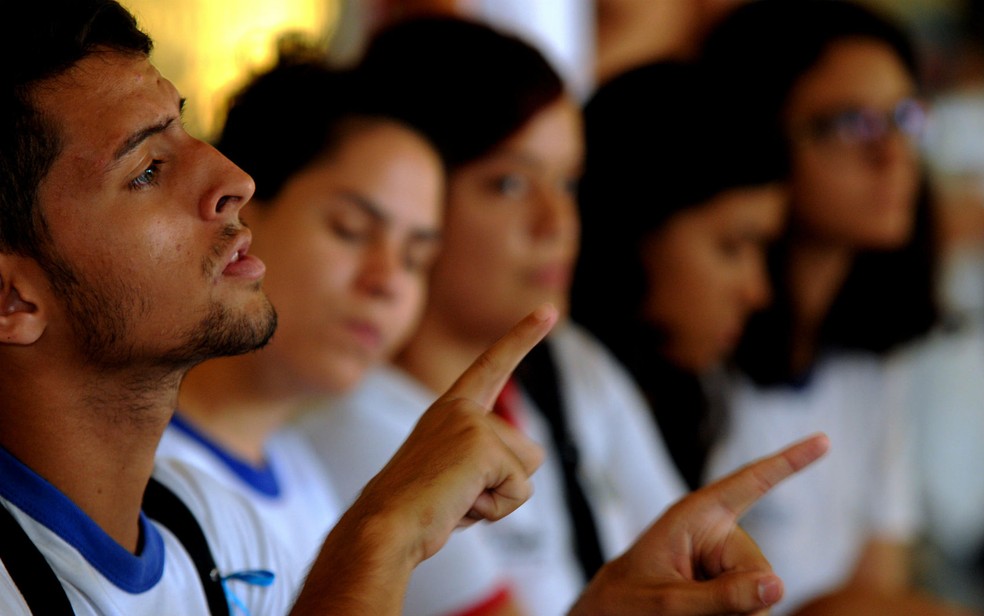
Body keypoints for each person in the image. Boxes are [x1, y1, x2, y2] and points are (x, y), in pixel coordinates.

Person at [0, 1, 830, 614]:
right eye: (145, 171)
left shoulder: (209, 526)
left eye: (186, 134)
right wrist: (380, 537)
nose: (231, 181)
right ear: (11, 296)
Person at [296, 15, 776, 616]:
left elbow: (690, 556)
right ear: (416, 196)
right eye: (510, 185)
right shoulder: (354, 419)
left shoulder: (571, 360)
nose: (559, 223)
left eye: (568, 183)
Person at [696, 1, 976, 614]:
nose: (892, 154)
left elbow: (877, 587)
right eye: (852, 123)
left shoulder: (872, 358)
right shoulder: (698, 352)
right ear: (757, 133)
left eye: (903, 118)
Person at [154, 53, 445, 586]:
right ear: (241, 209)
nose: (387, 282)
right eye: (350, 229)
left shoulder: (305, 482)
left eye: (415, 260)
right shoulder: (133, 471)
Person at [569, 59, 788, 491]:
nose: (757, 292)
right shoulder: (561, 389)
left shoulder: (697, 395)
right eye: (731, 247)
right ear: (632, 228)